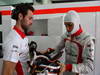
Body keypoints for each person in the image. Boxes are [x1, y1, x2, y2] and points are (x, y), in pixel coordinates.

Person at [51, 10, 95, 75]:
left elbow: (89, 66)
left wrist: (68, 67)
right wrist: (48, 51)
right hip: (65, 72)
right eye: (65, 25)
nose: (67, 28)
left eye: (70, 25)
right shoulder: (66, 35)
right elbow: (57, 48)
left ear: (76, 23)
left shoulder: (87, 40)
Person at [2, 3, 34, 75]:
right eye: (30, 18)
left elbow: (23, 58)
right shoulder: (13, 41)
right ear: (20, 16)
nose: (32, 22)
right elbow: (6, 73)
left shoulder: (22, 36)